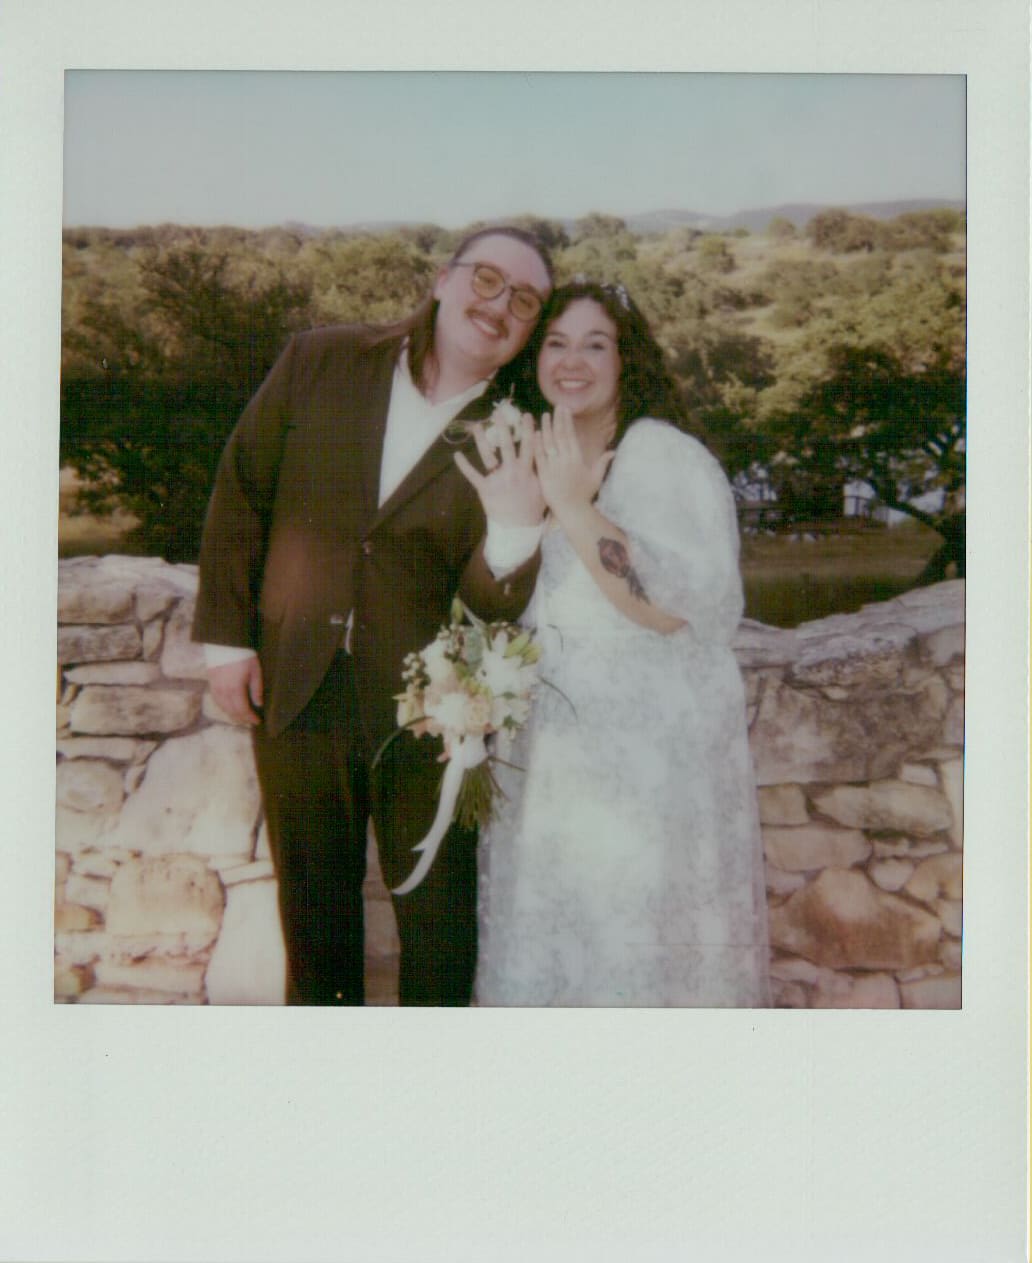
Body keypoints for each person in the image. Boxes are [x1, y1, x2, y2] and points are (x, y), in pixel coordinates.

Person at [192, 227, 554, 1006]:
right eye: (486, 280)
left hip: (425, 716)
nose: (498, 307)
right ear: (440, 279)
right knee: (313, 921)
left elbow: (493, 602)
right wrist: (226, 641)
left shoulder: (516, 427)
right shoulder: (320, 358)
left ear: (528, 330)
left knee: (439, 927)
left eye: (523, 301)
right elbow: (242, 487)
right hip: (295, 689)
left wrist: (517, 531)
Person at [473, 281, 771, 1006]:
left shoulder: (659, 453)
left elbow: (674, 607)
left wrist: (574, 507)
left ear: (626, 360)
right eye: (557, 343)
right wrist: (513, 522)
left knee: (633, 954)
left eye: (595, 344)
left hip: (642, 770)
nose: (573, 361)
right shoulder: (539, 448)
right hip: (553, 764)